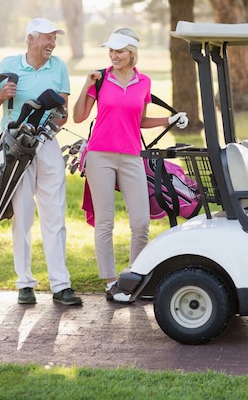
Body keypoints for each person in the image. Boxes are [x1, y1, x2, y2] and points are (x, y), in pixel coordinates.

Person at [72, 28, 188, 303]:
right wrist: (85, 85)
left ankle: (134, 277)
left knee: (140, 221)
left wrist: (167, 120)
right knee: (105, 222)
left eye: (119, 51)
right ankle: (112, 282)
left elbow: (138, 121)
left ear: (132, 53)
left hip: (133, 156)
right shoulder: (100, 79)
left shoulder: (144, 82)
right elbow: (78, 117)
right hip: (100, 155)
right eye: (111, 51)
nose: (114, 55)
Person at [0, 17, 82, 306]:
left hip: (47, 147)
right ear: (31, 39)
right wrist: (1, 95)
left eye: (55, 38)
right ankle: (25, 284)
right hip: (15, 148)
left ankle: (61, 286)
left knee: (55, 216)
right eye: (47, 38)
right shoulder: (8, 65)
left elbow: (62, 113)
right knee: (23, 217)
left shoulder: (59, 67)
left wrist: (47, 130)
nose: (52, 43)